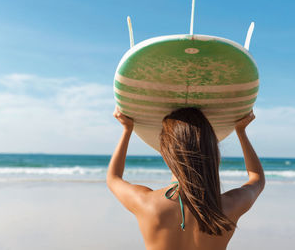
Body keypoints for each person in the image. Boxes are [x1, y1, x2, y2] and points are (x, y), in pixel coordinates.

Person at [107, 106, 265, 250]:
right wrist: (241, 132)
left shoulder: (148, 204)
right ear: (212, 152)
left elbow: (113, 178)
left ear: (167, 152)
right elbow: (257, 179)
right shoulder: (229, 206)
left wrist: (127, 130)